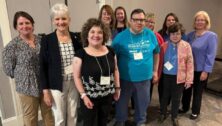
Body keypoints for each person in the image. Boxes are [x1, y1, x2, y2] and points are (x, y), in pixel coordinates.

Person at [2, 11, 54, 126]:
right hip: (26, 87)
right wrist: (23, 75)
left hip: (45, 84)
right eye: (21, 24)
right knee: (30, 117)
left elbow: (48, 61)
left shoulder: (42, 41)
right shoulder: (12, 46)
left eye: (27, 22)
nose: (24, 26)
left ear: (32, 25)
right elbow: (7, 68)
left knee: (48, 113)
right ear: (16, 27)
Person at [112, 9, 160, 126]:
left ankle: (141, 121)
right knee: (122, 103)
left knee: (143, 103)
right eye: (136, 20)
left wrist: (155, 71)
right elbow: (113, 58)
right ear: (130, 21)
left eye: (142, 20)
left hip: (144, 78)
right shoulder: (120, 37)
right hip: (125, 78)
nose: (139, 22)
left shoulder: (150, 35)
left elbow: (156, 52)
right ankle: (120, 121)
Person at [40, 3, 82, 126]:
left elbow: (81, 60)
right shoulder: (47, 40)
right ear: (53, 21)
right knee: (59, 117)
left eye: (64, 18)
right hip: (57, 84)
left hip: (74, 83)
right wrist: (45, 91)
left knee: (73, 114)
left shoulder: (76, 38)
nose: (61, 22)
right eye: (57, 19)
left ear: (69, 19)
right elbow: (42, 66)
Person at [73, 18, 120, 126]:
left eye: (99, 32)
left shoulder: (111, 51)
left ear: (104, 35)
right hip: (89, 98)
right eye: (92, 32)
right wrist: (83, 96)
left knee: (103, 122)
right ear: (87, 35)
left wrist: (117, 88)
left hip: (107, 97)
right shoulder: (80, 54)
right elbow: (77, 77)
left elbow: (116, 70)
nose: (96, 35)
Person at [180, 11, 218, 120]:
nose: (199, 22)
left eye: (202, 20)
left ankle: (195, 111)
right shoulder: (190, 35)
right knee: (186, 89)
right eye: (197, 20)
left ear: (206, 22)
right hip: (189, 69)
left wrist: (206, 71)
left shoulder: (211, 36)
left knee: (197, 92)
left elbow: (211, 55)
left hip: (201, 70)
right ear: (195, 22)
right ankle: (185, 107)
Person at [157, 22, 194, 126]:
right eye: (173, 34)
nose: (175, 36)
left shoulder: (186, 46)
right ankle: (163, 113)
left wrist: (189, 79)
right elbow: (159, 62)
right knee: (164, 96)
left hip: (179, 77)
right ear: (169, 34)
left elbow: (190, 63)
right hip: (166, 76)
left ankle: (174, 116)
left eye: (177, 33)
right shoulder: (164, 46)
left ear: (181, 34)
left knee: (176, 98)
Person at [145, 13, 164, 101]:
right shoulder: (138, 35)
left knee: (149, 90)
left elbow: (161, 55)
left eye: (152, 22)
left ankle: (145, 108)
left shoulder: (158, 37)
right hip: (141, 68)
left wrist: (156, 71)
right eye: (147, 21)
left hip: (152, 68)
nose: (149, 24)